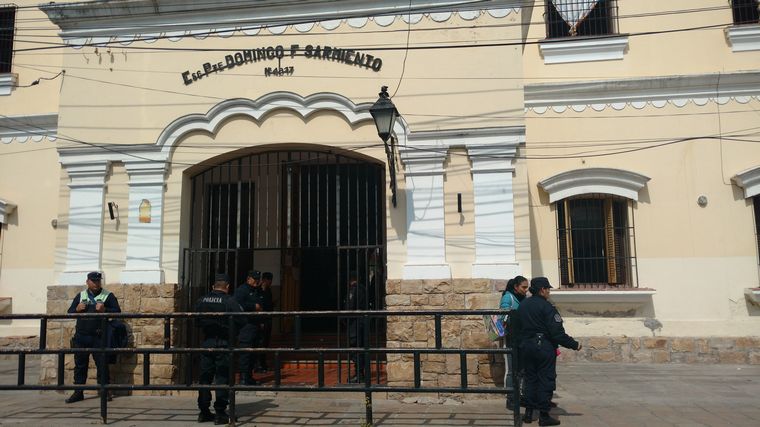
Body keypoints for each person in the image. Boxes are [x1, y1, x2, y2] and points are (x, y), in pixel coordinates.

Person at [517, 277, 581, 426]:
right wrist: (574, 344)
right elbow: (557, 333)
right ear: (542, 290)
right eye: (548, 289)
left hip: (526, 346)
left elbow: (517, 328)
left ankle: (528, 413)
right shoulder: (548, 307)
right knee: (545, 379)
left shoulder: (523, 305)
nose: (549, 292)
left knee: (530, 378)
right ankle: (544, 416)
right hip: (543, 347)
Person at [195, 273, 245, 424]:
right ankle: (220, 413)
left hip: (207, 343)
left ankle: (203, 411)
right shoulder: (230, 301)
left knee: (205, 378)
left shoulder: (201, 300)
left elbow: (196, 321)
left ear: (213, 286)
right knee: (223, 378)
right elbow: (243, 319)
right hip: (223, 343)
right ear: (227, 287)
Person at [65, 271, 121, 404]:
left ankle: (104, 392)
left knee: (102, 365)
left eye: (98, 281)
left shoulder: (108, 296)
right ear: (87, 282)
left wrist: (105, 310)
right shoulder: (81, 295)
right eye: (93, 281)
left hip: (98, 336)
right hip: (81, 336)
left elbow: (117, 311)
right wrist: (77, 309)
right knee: (80, 366)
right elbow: (69, 312)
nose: (96, 283)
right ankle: (78, 392)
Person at [499, 275, 529, 409]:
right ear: (516, 287)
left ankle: (520, 396)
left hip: (522, 338)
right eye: (523, 287)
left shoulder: (524, 299)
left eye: (527, 287)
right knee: (511, 370)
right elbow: (503, 316)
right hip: (510, 338)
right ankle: (510, 398)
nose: (526, 290)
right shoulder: (508, 297)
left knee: (521, 370)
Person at [234, 270, 264, 385]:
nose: (257, 281)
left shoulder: (257, 290)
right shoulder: (242, 290)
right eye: (254, 279)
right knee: (245, 353)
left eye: (258, 279)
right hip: (246, 326)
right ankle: (243, 377)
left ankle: (249, 376)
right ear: (248, 279)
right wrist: (253, 306)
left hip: (255, 325)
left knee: (253, 353)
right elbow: (237, 305)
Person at [344, 270, 367, 383]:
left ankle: (359, 375)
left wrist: (344, 319)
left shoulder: (354, 289)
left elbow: (350, 306)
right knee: (361, 348)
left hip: (355, 322)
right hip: (362, 321)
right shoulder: (363, 288)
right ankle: (361, 373)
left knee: (355, 348)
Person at [256, 272, 275, 373]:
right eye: (269, 280)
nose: (271, 282)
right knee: (261, 343)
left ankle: (263, 364)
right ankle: (259, 364)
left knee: (265, 342)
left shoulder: (268, 290)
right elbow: (260, 304)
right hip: (262, 320)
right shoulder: (259, 290)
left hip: (267, 319)